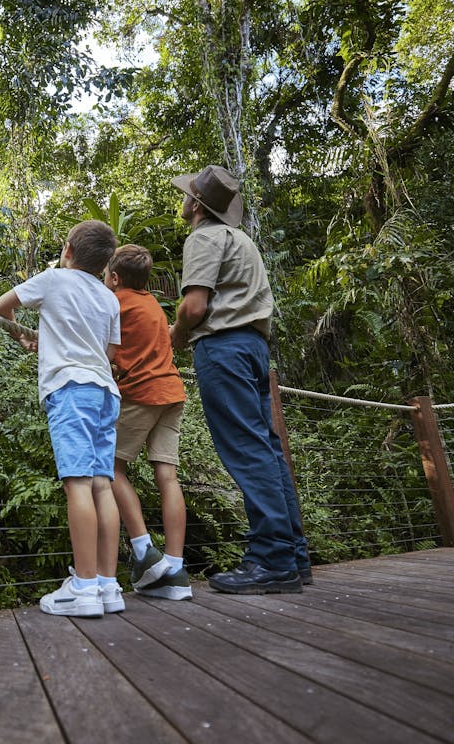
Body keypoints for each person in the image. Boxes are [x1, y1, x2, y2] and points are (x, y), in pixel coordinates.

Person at [168, 165, 312, 594]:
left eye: (188, 194)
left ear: (196, 204)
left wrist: (174, 338)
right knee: (266, 449)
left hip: (224, 349)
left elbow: (194, 307)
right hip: (254, 349)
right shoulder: (241, 240)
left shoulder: (204, 238)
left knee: (248, 451)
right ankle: (292, 557)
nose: (184, 199)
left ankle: (271, 559)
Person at [0, 220, 125, 617]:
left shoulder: (53, 280)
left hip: (70, 389)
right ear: (104, 265)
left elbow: (1, 305)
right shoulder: (109, 298)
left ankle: (82, 589)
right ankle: (107, 584)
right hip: (105, 392)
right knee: (103, 483)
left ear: (67, 250)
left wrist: (22, 337)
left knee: (78, 484)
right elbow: (112, 352)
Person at [104, 244, 192, 601]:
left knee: (111, 466)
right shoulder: (154, 304)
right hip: (172, 392)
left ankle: (143, 550)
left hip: (143, 394)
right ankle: (175, 569)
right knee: (167, 475)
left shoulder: (116, 302)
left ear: (114, 277)